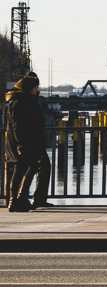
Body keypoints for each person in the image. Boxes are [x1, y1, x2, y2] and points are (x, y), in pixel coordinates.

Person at [5, 72, 52, 212]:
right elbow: (17, 125)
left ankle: (19, 199)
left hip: (26, 143)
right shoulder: (19, 102)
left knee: (27, 168)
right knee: (20, 170)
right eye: (35, 87)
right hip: (22, 143)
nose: (37, 89)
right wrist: (21, 145)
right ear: (28, 87)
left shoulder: (25, 100)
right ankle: (16, 200)